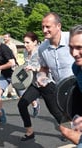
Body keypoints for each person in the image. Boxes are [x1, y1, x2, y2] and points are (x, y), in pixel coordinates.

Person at [18, 12, 74, 141]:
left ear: (58, 26)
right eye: (43, 27)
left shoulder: (72, 38)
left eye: (48, 27)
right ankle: (30, 132)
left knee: (71, 121)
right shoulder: (43, 48)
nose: (44, 30)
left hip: (77, 87)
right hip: (59, 89)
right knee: (67, 125)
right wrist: (41, 77)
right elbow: (44, 68)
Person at [59, 25, 82, 147]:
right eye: (71, 48)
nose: (74, 53)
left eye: (79, 48)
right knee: (64, 128)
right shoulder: (76, 68)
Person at [22, 32, 41, 118]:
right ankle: (29, 130)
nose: (25, 45)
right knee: (22, 104)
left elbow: (48, 67)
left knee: (55, 109)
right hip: (32, 81)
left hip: (44, 81)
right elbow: (26, 64)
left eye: (27, 42)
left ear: (35, 42)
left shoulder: (40, 52)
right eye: (24, 42)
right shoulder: (25, 52)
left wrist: (35, 68)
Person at [2, 33, 18, 99]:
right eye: (4, 37)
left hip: (12, 65)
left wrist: (14, 63)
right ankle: (4, 94)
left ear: (9, 38)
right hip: (4, 65)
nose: (4, 38)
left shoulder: (13, 45)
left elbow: (15, 55)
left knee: (13, 79)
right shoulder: (2, 45)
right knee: (4, 78)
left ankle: (14, 93)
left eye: (6, 37)